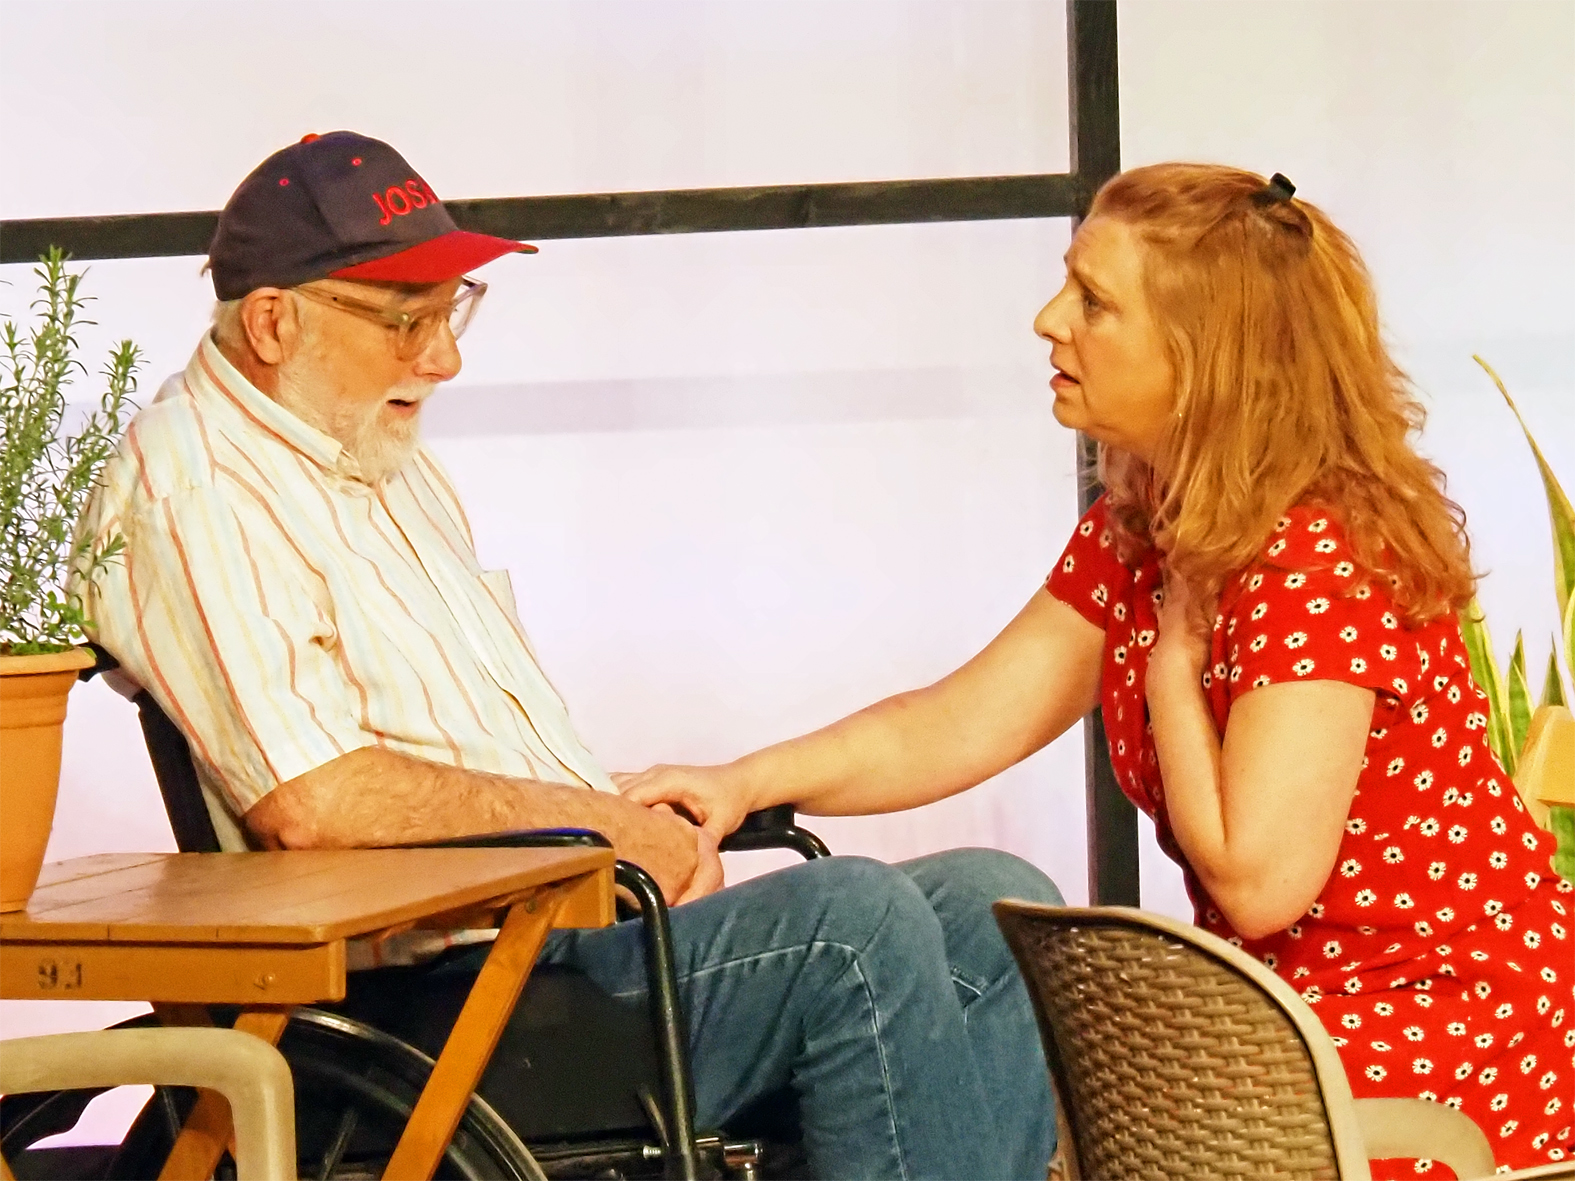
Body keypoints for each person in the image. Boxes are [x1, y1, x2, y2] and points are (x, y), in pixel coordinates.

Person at [76, 131, 1063, 1180]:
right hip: (434, 1006)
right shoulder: (196, 488)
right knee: (850, 925)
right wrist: (610, 825)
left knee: (990, 904)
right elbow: (309, 796)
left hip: (552, 944)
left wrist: (628, 824)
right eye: (408, 319)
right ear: (276, 320)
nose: (444, 356)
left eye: (452, 311)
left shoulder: (372, 456)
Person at [620, 163, 1573, 1175]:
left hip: (1443, 1023)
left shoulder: (1311, 555)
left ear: (1204, 354)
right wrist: (742, 783)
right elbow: (957, 721)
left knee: (1090, 1105)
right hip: (1296, 1017)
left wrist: (1171, 674)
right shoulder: (1147, 530)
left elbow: (1258, 883)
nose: (1048, 318)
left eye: (1095, 301)